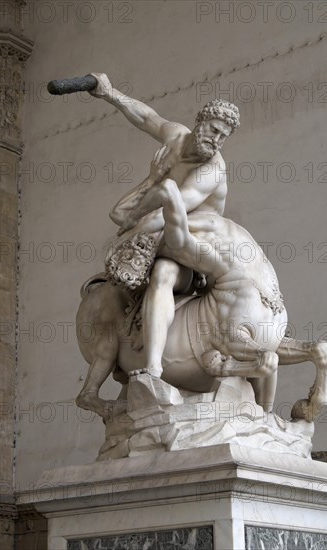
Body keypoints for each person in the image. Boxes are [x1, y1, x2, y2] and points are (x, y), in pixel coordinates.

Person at [89, 73, 240, 378]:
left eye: (224, 136)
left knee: (164, 273)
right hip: (160, 234)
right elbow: (147, 117)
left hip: (196, 248)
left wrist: (125, 240)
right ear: (200, 121)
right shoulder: (177, 136)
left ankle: (154, 368)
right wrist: (110, 93)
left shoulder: (212, 171)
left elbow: (169, 211)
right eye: (214, 130)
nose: (217, 139)